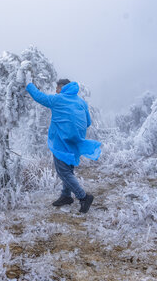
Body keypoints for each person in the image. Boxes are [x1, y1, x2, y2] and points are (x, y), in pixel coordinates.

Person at [26, 78, 101, 213]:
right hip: (76, 141)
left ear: (62, 88)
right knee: (69, 170)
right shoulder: (81, 102)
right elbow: (88, 122)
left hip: (61, 142)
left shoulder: (57, 99)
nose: (55, 91)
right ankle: (66, 196)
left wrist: (28, 84)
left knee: (64, 172)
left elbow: (39, 97)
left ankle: (83, 197)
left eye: (57, 88)